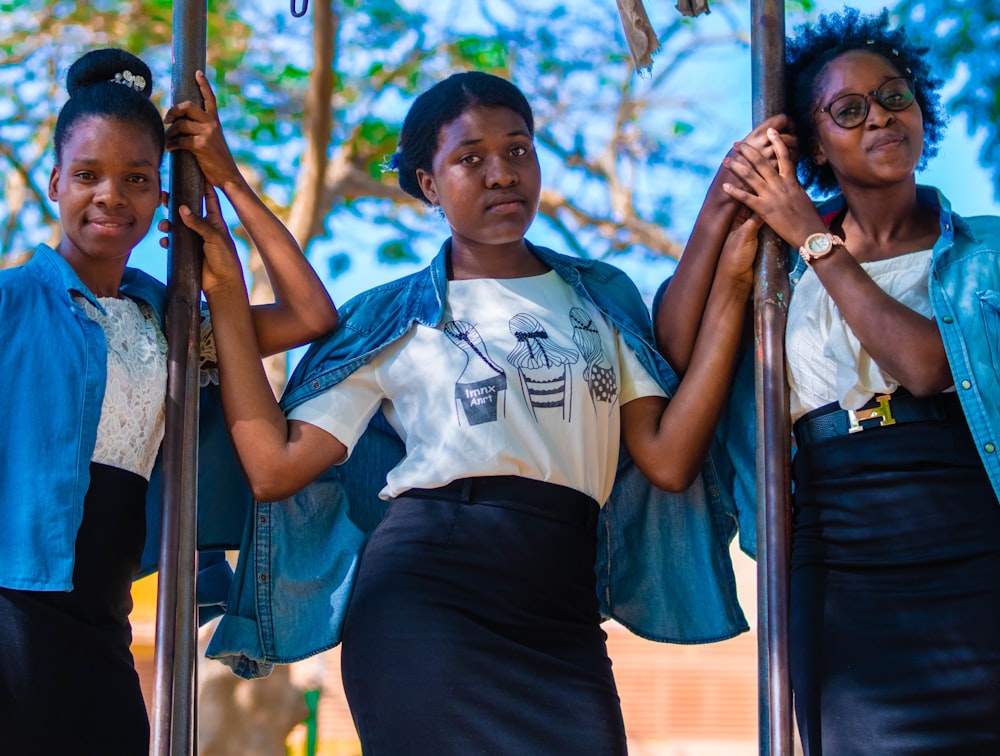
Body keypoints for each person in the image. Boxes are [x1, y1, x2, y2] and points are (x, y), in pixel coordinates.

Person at [195, 70, 757, 754]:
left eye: (518, 150)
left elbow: (669, 461)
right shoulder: (391, 316)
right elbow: (274, 468)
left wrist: (731, 286)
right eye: (470, 159)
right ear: (429, 185)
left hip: (562, 609)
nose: (501, 174)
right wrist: (226, 289)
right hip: (427, 601)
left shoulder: (600, 297)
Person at [660, 7, 1000, 754]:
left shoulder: (987, 255)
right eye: (848, 110)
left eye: (894, 96)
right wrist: (725, 202)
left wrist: (813, 236)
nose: (879, 116)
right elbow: (672, 347)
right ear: (813, 142)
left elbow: (927, 366)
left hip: (971, 526)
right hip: (838, 548)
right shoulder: (775, 266)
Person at [0, 48, 337, 754]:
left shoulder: (171, 318)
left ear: (160, 194)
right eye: (87, 175)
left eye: (136, 179)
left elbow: (311, 314)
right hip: (13, 608)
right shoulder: (12, 303)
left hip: (103, 614)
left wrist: (227, 179)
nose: (110, 195)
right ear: (56, 181)